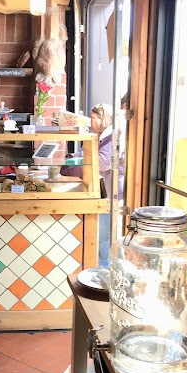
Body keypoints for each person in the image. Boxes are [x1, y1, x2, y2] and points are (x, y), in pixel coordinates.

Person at [63, 103, 115, 266]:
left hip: (109, 193)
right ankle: (99, 265)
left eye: (93, 118)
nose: (90, 122)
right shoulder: (99, 136)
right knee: (99, 233)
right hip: (99, 189)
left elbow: (104, 162)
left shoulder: (111, 138)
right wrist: (73, 156)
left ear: (103, 119)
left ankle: (104, 266)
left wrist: (76, 162)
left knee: (103, 235)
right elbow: (88, 151)